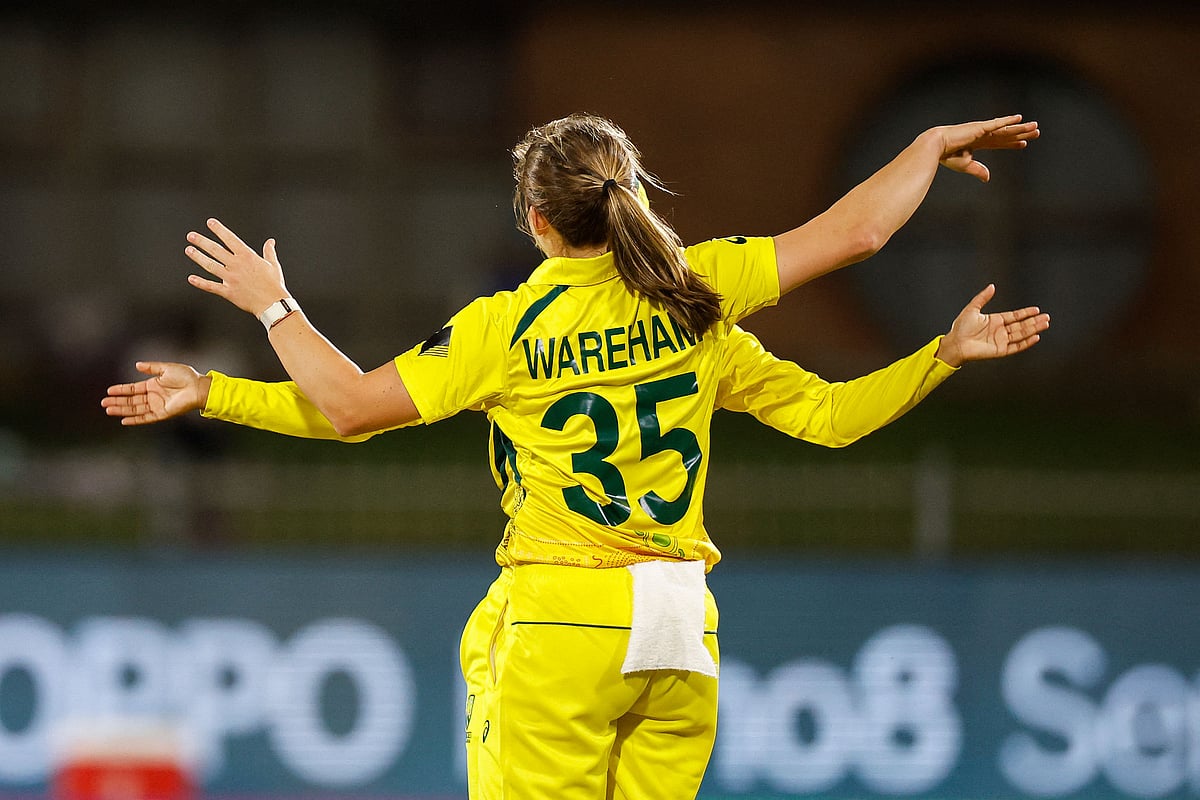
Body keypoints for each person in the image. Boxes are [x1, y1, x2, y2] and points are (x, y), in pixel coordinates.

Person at [103, 113, 1046, 798]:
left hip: (565, 622)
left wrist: (274, 308)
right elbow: (856, 256)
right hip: (683, 632)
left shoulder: (508, 327)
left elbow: (351, 407)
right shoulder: (698, 297)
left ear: (537, 220)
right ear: (630, 193)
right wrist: (938, 333)